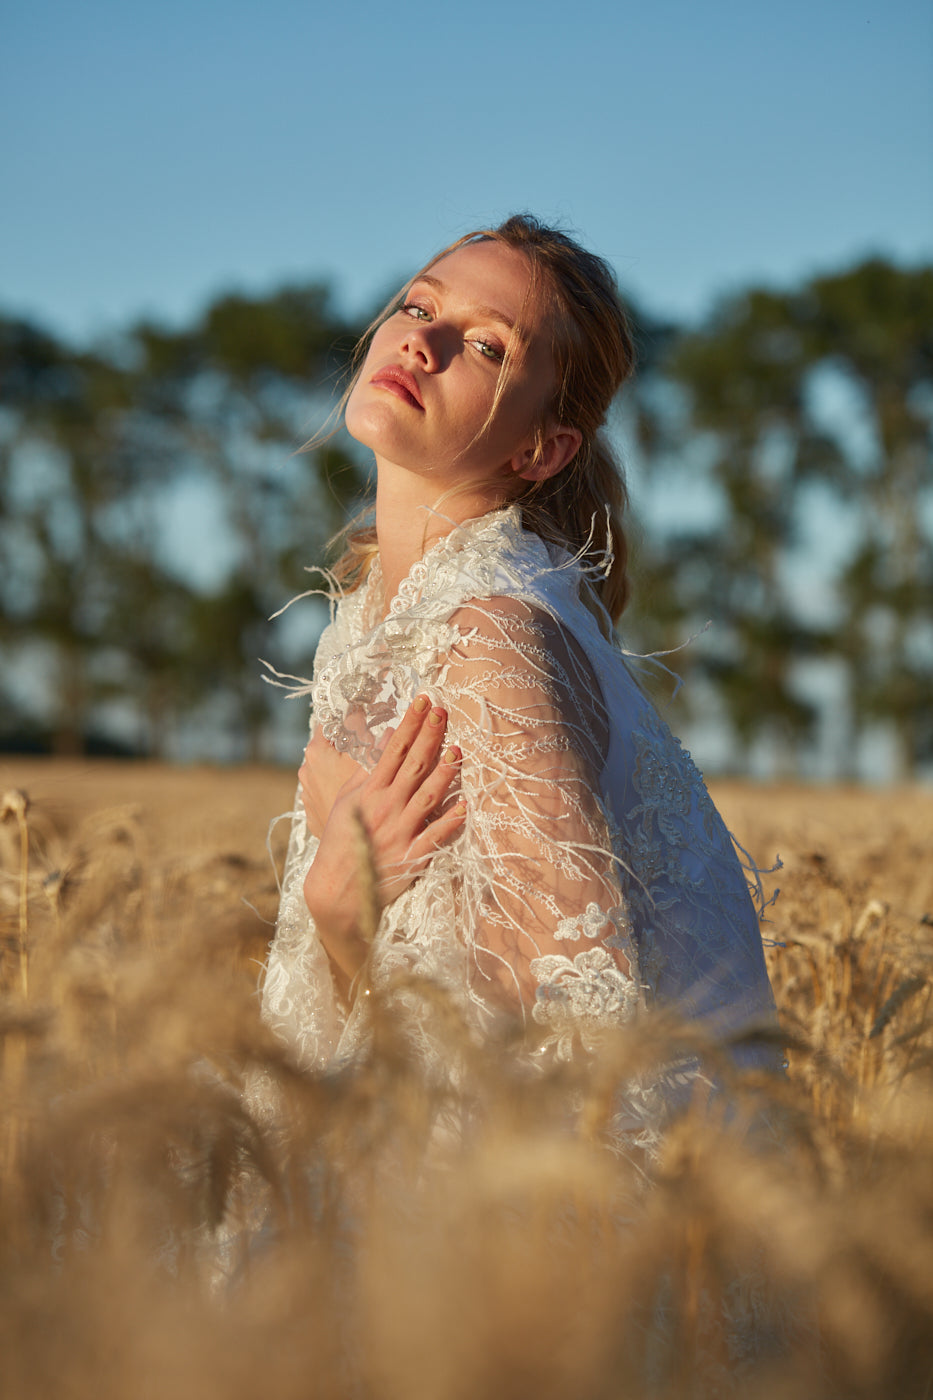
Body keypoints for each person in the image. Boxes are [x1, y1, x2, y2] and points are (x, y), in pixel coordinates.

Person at [261, 214, 779, 1099]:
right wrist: (341, 916)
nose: (422, 340)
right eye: (419, 305)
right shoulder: (366, 621)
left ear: (543, 448)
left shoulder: (492, 631)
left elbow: (568, 1034)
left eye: (488, 346)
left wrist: (339, 909)